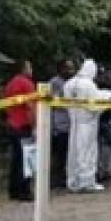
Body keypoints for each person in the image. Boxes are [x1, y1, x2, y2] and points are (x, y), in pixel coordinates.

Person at [64, 60, 105, 193]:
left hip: (74, 122)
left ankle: (73, 181)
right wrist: (107, 102)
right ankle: (87, 182)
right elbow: (94, 106)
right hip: (87, 123)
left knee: (73, 153)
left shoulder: (68, 84)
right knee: (88, 152)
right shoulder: (89, 85)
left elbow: (66, 104)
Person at [2, 60, 37, 202]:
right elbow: (30, 106)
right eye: (30, 67)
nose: (32, 70)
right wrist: (35, 125)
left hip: (12, 124)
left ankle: (13, 190)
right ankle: (25, 191)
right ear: (24, 69)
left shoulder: (10, 84)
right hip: (23, 125)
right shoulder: (27, 84)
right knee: (26, 159)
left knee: (16, 159)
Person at [48, 60, 75, 191]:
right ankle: (55, 181)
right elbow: (53, 103)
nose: (71, 71)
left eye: (72, 69)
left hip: (71, 123)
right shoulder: (54, 83)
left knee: (67, 154)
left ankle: (64, 178)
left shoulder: (73, 82)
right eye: (68, 69)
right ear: (61, 69)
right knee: (59, 154)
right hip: (59, 124)